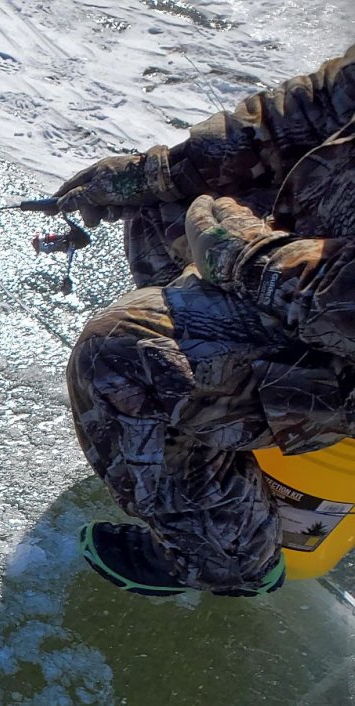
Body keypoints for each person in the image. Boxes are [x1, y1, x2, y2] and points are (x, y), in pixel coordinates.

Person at [51, 45, 355, 596]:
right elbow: (308, 109)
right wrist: (159, 173)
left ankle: (227, 557)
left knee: (122, 353)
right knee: (166, 203)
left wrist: (253, 260)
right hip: (304, 277)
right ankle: (201, 439)